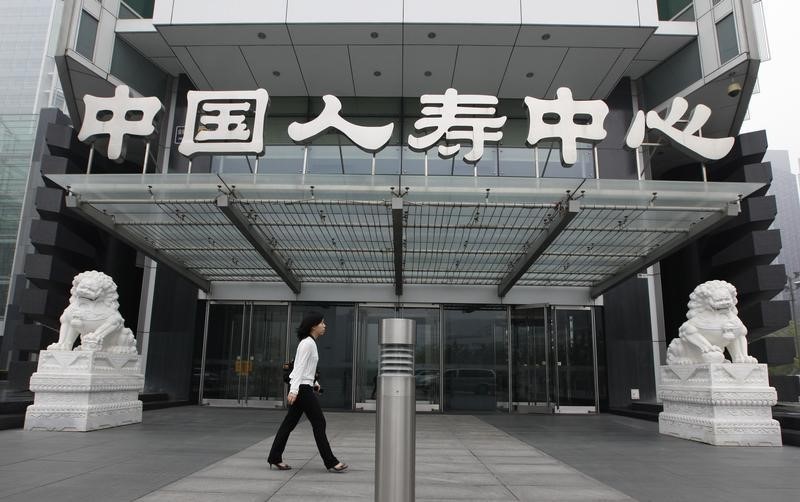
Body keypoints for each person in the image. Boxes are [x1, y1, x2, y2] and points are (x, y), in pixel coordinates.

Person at [267, 312, 348, 473]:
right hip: (302, 390)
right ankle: (330, 461)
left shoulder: (309, 343)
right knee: (319, 422)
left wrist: (315, 383)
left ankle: (274, 457)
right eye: (322, 323)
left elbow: (307, 370)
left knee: (289, 424)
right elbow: (298, 368)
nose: (325, 326)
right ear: (313, 326)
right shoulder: (307, 344)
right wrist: (295, 390)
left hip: (304, 386)